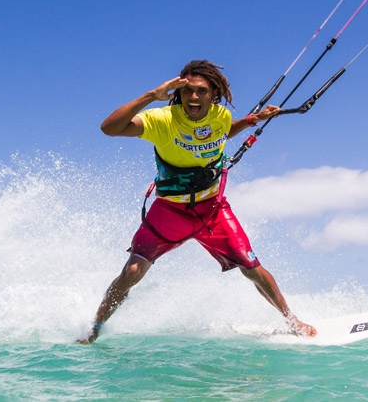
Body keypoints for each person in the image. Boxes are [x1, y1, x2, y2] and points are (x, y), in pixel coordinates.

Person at [78, 60, 317, 344]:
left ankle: (292, 320)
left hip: (212, 211)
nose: (194, 97)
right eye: (188, 91)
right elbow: (109, 128)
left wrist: (254, 119)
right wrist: (151, 96)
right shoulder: (162, 119)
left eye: (201, 91)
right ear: (177, 93)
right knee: (131, 272)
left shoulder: (220, 115)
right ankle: (95, 329)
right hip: (169, 212)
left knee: (251, 267)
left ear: (213, 94)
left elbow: (225, 131)